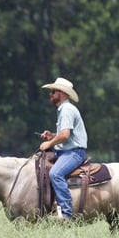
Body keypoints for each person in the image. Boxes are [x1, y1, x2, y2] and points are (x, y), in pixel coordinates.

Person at [38, 77, 88, 220]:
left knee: (55, 174)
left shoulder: (66, 109)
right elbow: (63, 134)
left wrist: (49, 143)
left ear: (62, 93)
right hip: (67, 151)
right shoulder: (63, 109)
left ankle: (66, 213)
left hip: (73, 153)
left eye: (53, 91)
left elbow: (65, 135)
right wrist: (52, 135)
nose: (50, 94)